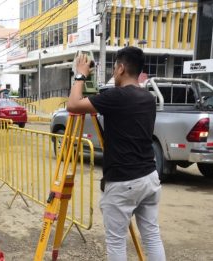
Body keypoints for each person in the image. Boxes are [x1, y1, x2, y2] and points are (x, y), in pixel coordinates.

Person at [66, 47, 165, 261]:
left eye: (114, 68)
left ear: (121, 68)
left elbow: (73, 104)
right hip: (149, 177)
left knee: (116, 240)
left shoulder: (116, 97)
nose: (112, 73)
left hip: (123, 181)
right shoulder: (148, 98)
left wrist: (80, 75)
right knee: (152, 236)